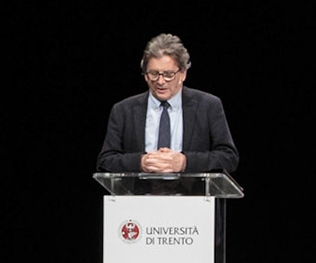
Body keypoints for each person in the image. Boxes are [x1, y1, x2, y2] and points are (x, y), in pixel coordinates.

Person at [97, 33, 238, 174]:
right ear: (145, 75)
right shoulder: (123, 110)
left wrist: (184, 162)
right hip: (139, 194)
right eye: (154, 73)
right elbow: (106, 161)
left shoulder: (208, 106)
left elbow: (228, 157)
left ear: (183, 74)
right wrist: (140, 162)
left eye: (168, 74)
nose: (160, 81)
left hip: (192, 194)